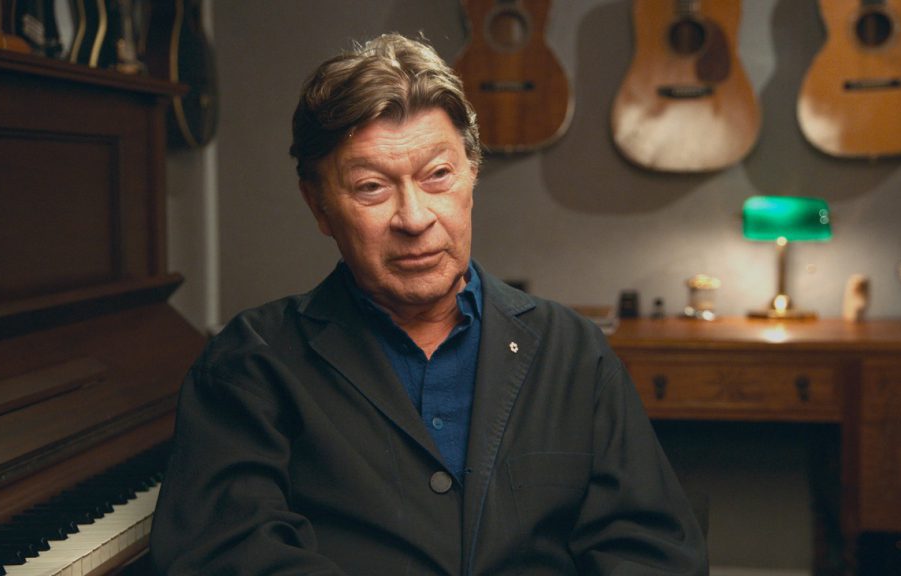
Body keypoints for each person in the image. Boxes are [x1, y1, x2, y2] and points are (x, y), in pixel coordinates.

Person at [150, 33, 708, 575]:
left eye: (437, 175)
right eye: (371, 187)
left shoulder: (574, 352)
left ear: (472, 175)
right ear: (319, 206)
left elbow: (652, 550)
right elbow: (226, 552)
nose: (414, 218)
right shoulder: (250, 364)